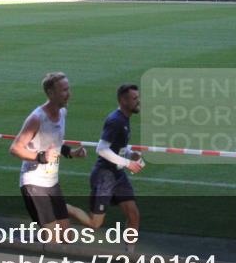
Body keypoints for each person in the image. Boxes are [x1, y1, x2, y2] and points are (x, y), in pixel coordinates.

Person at [10, 72, 86, 235]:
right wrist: (41, 157)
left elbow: (55, 143)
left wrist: (72, 153)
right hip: (34, 183)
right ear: (51, 93)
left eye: (68, 89)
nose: (69, 93)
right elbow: (15, 148)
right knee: (52, 239)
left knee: (66, 236)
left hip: (52, 182)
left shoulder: (62, 113)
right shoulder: (37, 118)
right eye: (64, 90)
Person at [68, 84, 144, 233]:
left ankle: (129, 254)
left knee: (133, 215)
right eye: (134, 98)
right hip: (105, 176)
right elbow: (101, 149)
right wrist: (128, 162)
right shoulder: (115, 121)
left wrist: (130, 154)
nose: (138, 101)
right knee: (95, 223)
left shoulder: (124, 119)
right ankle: (61, 207)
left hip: (118, 175)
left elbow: (118, 146)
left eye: (138, 97)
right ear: (123, 101)